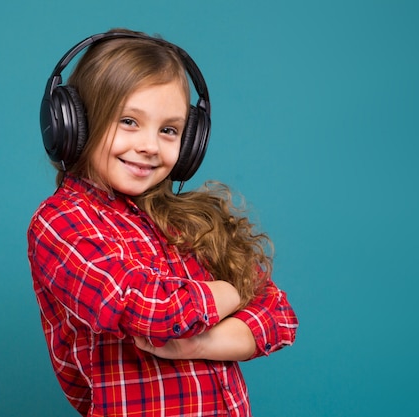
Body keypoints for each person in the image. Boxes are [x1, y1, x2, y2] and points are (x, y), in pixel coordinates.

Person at [27, 28, 298, 417]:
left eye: (169, 130)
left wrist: (199, 344)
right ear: (75, 124)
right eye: (129, 121)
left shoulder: (187, 224)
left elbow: (279, 316)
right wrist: (232, 291)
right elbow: (149, 310)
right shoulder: (61, 223)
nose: (150, 146)